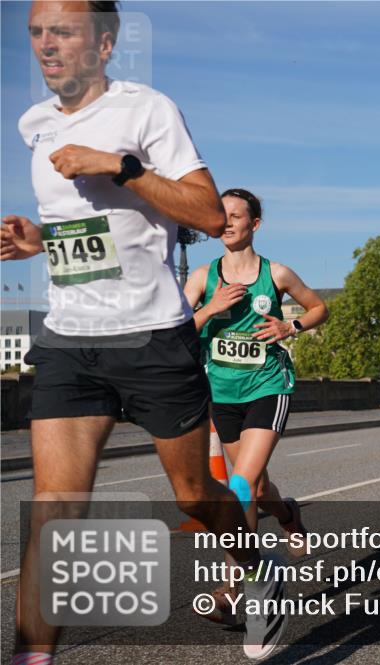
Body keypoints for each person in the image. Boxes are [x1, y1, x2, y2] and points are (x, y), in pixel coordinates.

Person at [1, 2, 286, 660]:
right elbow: (96, 232)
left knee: (192, 490)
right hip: (71, 338)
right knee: (54, 507)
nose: (46, 44)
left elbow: (211, 214)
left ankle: (257, 565)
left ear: (104, 44)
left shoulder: (148, 110)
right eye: (36, 31)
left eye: (63, 32)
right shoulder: (33, 124)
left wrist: (123, 166)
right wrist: (38, 240)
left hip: (153, 336)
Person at [183, 188, 328, 625]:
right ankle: (288, 515)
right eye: (220, 216)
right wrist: (210, 309)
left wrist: (291, 325)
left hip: (269, 386)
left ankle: (234, 588)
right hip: (223, 394)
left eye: (235, 216)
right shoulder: (204, 277)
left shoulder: (276, 273)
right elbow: (175, 329)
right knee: (260, 490)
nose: (226, 223)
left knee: (240, 487)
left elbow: (318, 307)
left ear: (254, 225)